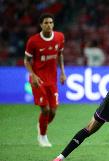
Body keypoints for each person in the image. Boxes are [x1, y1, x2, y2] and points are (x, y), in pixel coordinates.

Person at [24, 13, 66, 147]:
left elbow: (60, 55)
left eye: (51, 22)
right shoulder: (33, 41)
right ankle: (43, 136)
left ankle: (41, 125)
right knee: (46, 109)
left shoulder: (59, 37)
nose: (49, 25)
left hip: (52, 79)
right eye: (46, 23)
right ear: (41, 25)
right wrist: (33, 75)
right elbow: (26, 60)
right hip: (38, 80)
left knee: (53, 111)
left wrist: (62, 73)